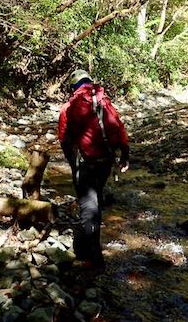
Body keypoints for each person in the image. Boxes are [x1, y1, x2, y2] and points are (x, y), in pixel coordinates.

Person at [58, 69, 129, 269]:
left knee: (88, 206)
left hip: (85, 162)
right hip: (106, 160)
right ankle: (87, 244)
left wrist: (72, 162)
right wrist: (125, 155)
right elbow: (119, 128)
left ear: (73, 86)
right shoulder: (104, 101)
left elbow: (64, 138)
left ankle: (94, 258)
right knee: (95, 199)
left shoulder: (70, 106)